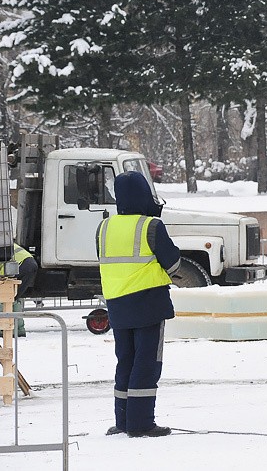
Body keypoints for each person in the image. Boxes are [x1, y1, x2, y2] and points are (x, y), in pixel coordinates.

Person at [97, 171, 180, 438]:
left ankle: (122, 421)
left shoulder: (104, 227)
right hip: (148, 305)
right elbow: (174, 263)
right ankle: (141, 423)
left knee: (125, 362)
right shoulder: (151, 226)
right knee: (146, 364)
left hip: (117, 306)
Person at [0, 243, 38, 337]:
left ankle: (5, 328)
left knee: (5, 297)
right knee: (14, 296)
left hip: (21, 266)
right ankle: (19, 328)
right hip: (29, 264)